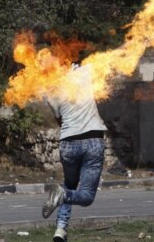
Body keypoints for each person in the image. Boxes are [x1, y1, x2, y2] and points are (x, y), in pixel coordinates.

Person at [42, 62, 107, 242]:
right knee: (85, 196)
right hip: (93, 140)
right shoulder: (86, 71)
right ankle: (63, 196)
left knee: (69, 184)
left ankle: (60, 229)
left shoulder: (50, 88)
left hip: (68, 143)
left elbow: (60, 120)